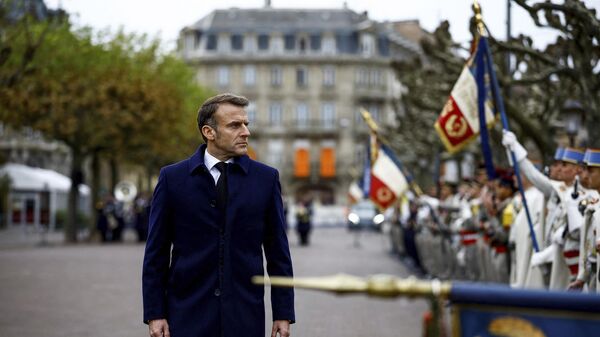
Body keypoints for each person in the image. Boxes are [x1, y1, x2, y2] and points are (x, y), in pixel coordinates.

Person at [142, 93, 295, 337]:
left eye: (246, 124)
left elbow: (278, 253)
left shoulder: (266, 179)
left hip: (245, 315)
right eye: (235, 125)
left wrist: (283, 313)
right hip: (186, 314)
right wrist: (154, 312)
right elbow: (156, 253)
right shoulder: (172, 179)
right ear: (209, 132)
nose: (245, 132)